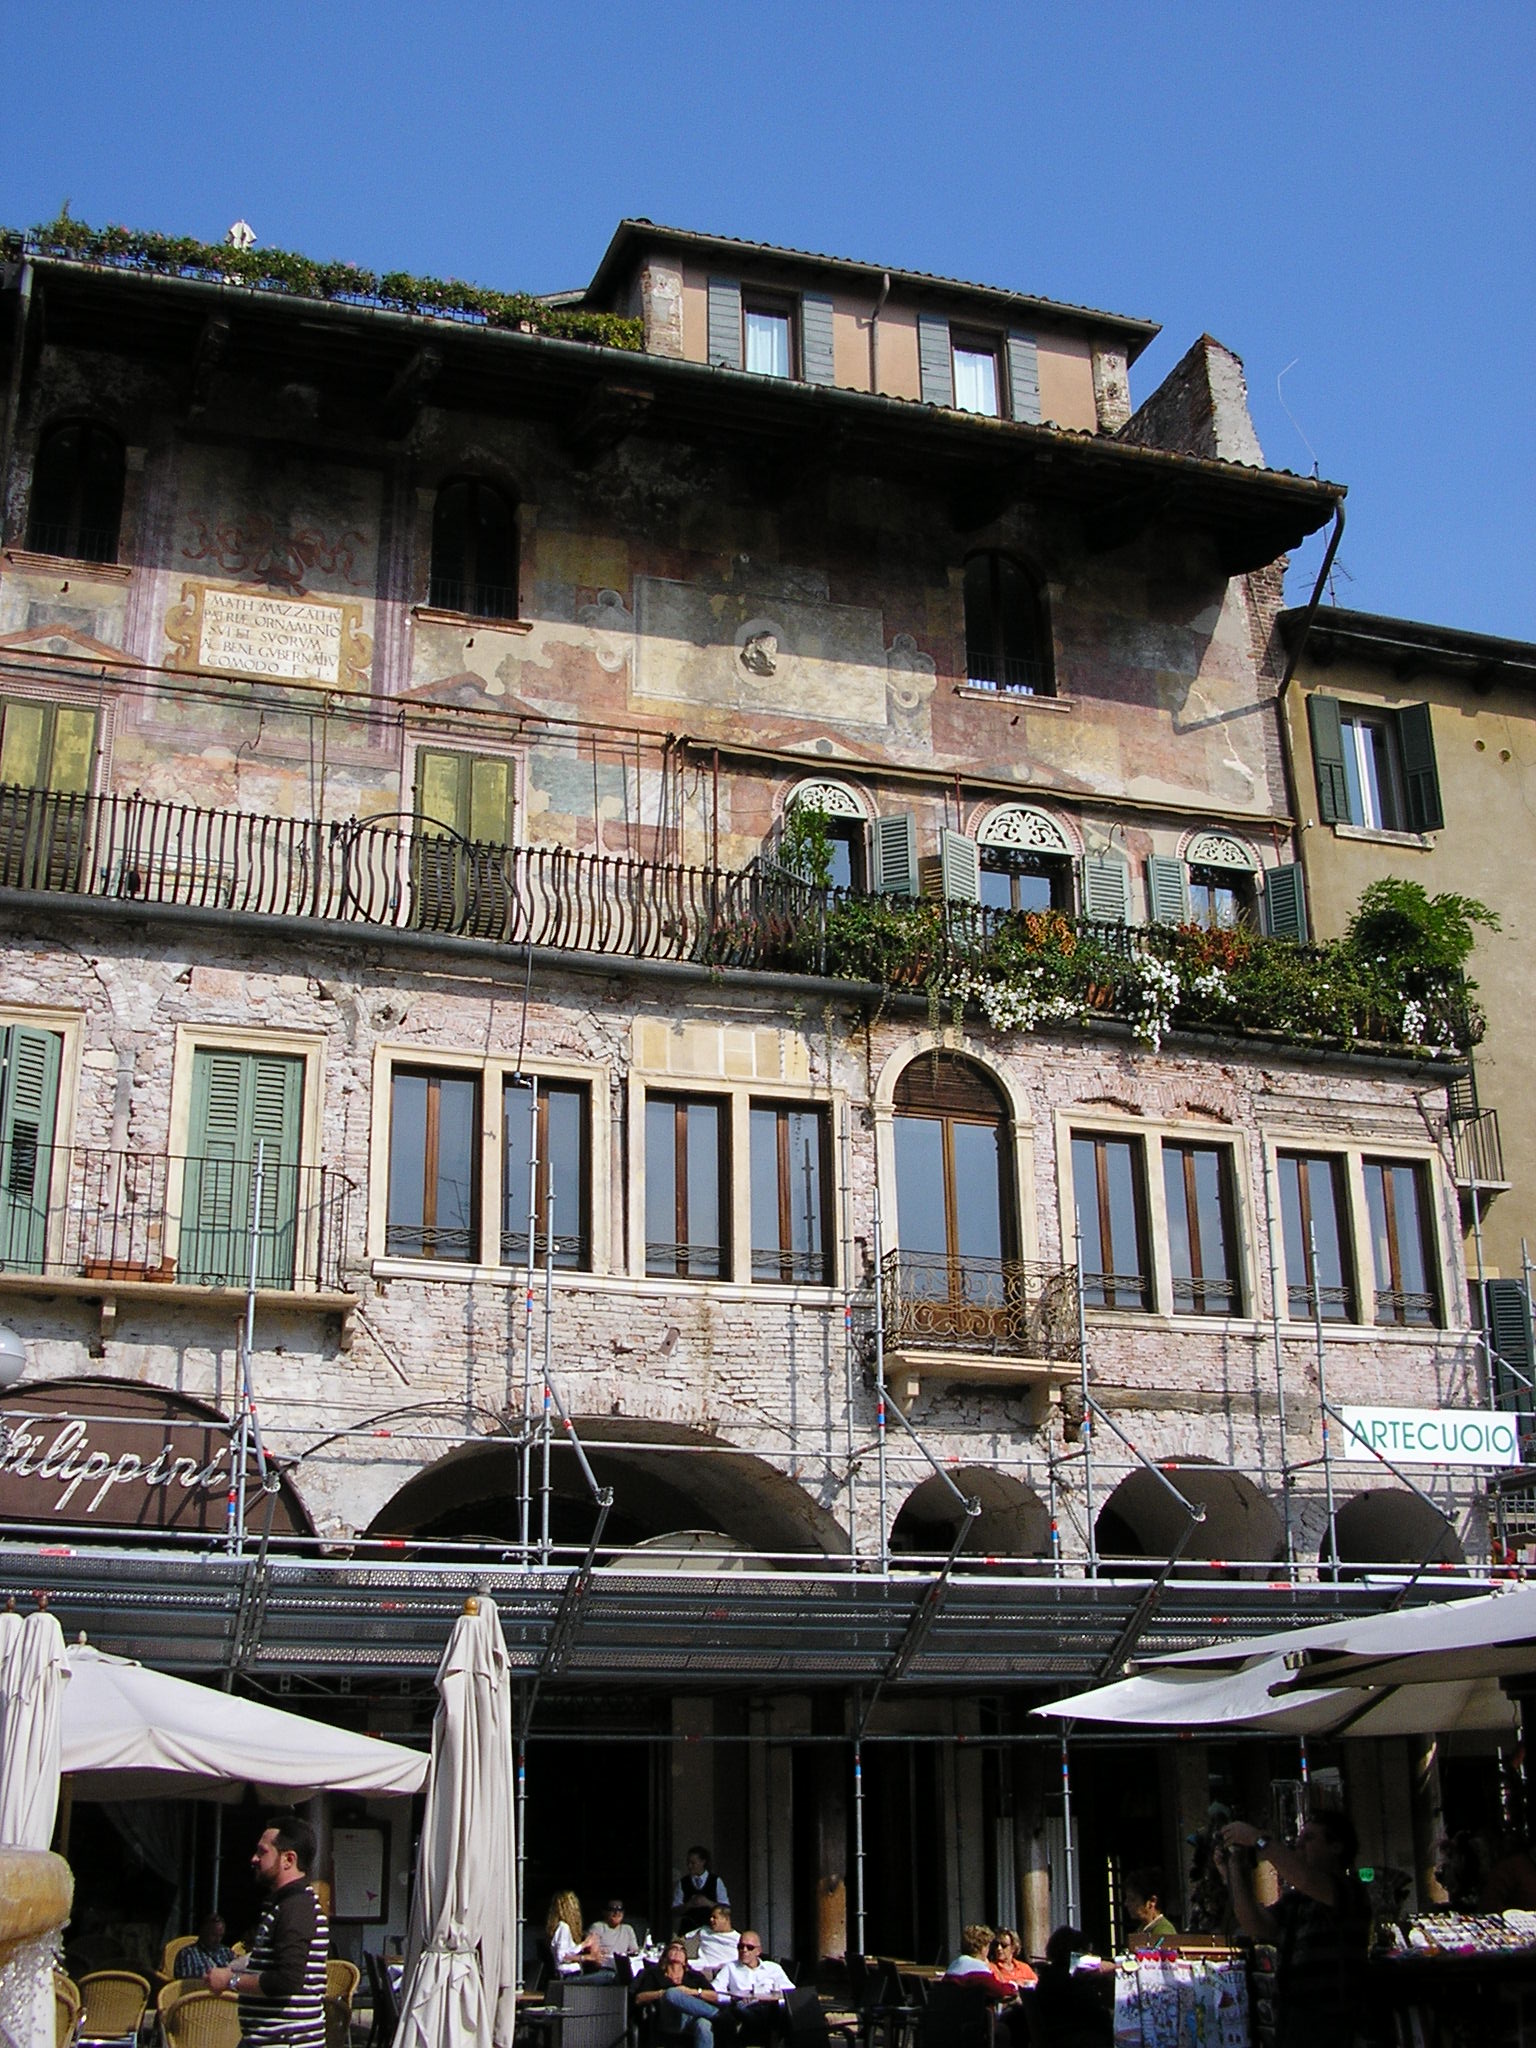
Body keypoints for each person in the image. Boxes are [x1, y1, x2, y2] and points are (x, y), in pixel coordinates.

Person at [1216, 1811, 1369, 2048]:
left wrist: (1257, 1839)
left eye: (1309, 1838)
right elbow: (1255, 1924)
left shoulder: (1349, 1890)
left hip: (1334, 2022)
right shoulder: (1296, 1900)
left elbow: (1305, 1878)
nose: (1299, 1844)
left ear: (1336, 1847)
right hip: (1294, 2018)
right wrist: (1233, 1867)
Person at [205, 1815, 329, 2048]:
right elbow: (277, 1959)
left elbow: (287, 1980)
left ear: (288, 1859)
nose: (254, 1859)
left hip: (286, 2041)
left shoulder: (295, 1907)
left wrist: (230, 1981)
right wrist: (235, 1966)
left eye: (262, 1852)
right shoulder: (285, 1905)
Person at [1030, 1927, 1111, 2048]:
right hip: (1071, 2037)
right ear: (1076, 1952)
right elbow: (1095, 2013)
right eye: (1086, 1952)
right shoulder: (1072, 1980)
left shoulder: (1047, 1976)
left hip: (1055, 2036)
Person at [635, 1940, 721, 2048]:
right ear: (665, 1956)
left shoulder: (694, 1976)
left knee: (704, 2024)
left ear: (685, 1961)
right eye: (674, 1948)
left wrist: (691, 1991)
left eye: (682, 1950)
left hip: (692, 2018)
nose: (678, 1951)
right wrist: (663, 1993)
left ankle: (716, 2016)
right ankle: (718, 2016)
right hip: (668, 2019)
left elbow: (714, 1996)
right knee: (672, 1993)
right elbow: (639, 1998)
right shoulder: (654, 1974)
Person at [714, 1933, 793, 2046]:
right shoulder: (731, 1968)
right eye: (740, 1947)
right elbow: (715, 1990)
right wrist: (733, 1997)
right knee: (744, 2012)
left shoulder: (773, 1968)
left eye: (749, 1947)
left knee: (783, 2014)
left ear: (758, 1951)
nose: (744, 1950)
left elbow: (790, 1992)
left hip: (770, 2007)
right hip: (744, 2006)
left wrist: (773, 1996)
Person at [547, 1890, 614, 1980]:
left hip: (572, 1974)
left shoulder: (562, 1927)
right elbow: (562, 1956)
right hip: (568, 1976)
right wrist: (584, 1946)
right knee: (609, 1976)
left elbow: (567, 1952)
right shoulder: (563, 1927)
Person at [673, 1847, 730, 1935]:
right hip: (689, 1930)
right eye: (688, 1862)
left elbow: (726, 1908)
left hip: (711, 1931)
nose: (689, 1866)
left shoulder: (715, 1881)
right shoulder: (683, 1882)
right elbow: (675, 1911)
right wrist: (689, 1904)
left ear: (703, 1862)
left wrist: (708, 1903)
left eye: (693, 1863)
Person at [1121, 1869, 1178, 1951]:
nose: (1126, 1903)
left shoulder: (1164, 1932)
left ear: (1152, 1901)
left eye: (1132, 1899)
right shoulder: (1142, 1929)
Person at [177, 1914, 236, 1978]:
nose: (217, 1940)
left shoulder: (226, 1951)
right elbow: (187, 1982)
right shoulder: (187, 1954)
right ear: (203, 1932)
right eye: (213, 1935)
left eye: (221, 1936)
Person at [695, 1905, 740, 1979]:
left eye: (714, 1917)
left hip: (729, 1972)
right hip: (704, 1969)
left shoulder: (738, 1938)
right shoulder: (704, 1931)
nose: (711, 1920)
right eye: (711, 1917)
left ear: (726, 1919)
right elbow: (683, 1939)